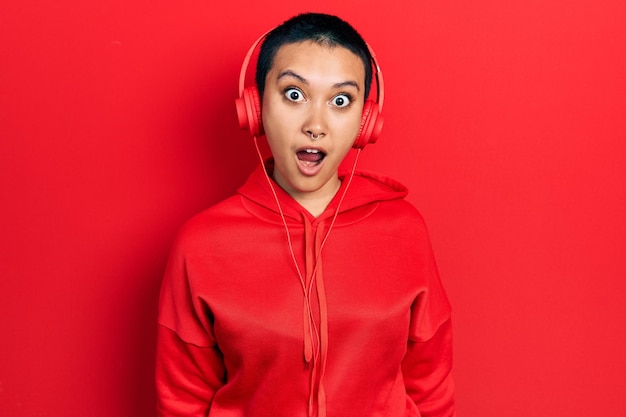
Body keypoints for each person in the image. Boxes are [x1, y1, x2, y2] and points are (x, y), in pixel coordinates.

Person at [156, 12, 456, 417]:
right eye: (294, 95)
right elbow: (183, 399)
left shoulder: (405, 230)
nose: (316, 124)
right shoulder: (200, 243)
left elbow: (432, 388)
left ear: (366, 122)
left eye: (340, 101)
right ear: (256, 107)